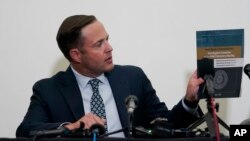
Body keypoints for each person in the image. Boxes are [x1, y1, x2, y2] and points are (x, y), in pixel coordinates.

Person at [16, 15, 204, 138]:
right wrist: (72, 126)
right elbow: (26, 131)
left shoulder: (133, 78)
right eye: (99, 44)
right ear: (76, 55)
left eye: (107, 39)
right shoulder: (49, 90)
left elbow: (165, 126)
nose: (109, 47)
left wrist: (189, 100)